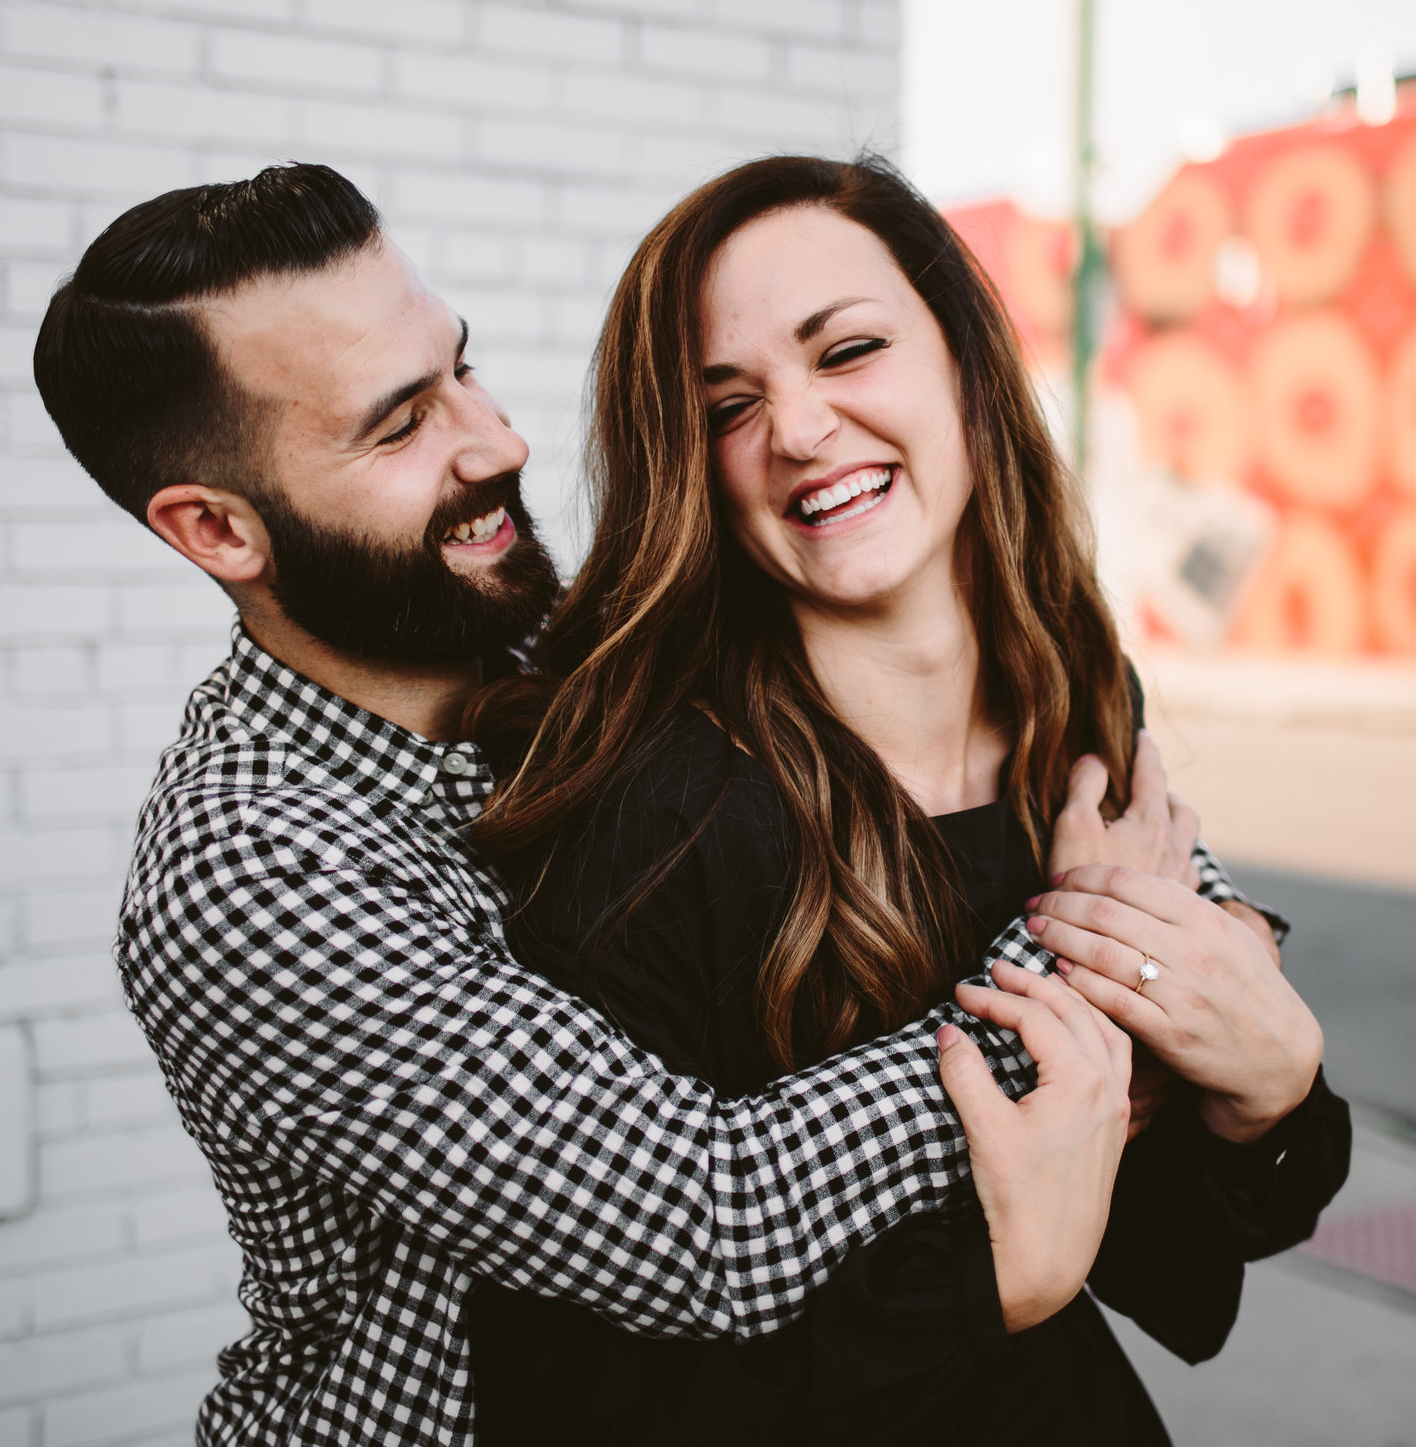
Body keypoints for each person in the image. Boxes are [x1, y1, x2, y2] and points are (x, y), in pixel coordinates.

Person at [30, 164, 1262, 1447]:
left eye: (462, 367)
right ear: (220, 530)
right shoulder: (253, 874)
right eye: (399, 428)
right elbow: (709, 1214)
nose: (496, 440)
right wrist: (1095, 947)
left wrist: (1218, 1004)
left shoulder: (564, 652)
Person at [463, 155, 1349, 1444]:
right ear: (693, 467)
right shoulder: (651, 816)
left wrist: (1270, 1093)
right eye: (729, 405)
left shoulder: (1077, 712)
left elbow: (1161, 1243)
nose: (803, 429)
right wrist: (996, 1275)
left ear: (966, 366)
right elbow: (581, 1396)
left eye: (850, 350)